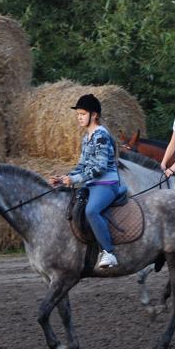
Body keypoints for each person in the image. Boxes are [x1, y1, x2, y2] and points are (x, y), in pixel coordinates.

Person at [50, 94, 123, 269]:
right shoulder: (86, 137)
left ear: (94, 115)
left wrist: (74, 179)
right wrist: (64, 179)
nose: (79, 118)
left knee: (91, 211)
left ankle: (109, 252)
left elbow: (99, 168)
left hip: (107, 184)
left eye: (82, 114)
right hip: (92, 184)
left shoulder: (101, 135)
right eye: (78, 115)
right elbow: (82, 165)